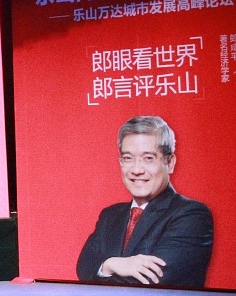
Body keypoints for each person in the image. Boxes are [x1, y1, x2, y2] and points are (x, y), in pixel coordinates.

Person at [77, 116, 213, 287]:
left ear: (170, 163)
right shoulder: (110, 215)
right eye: (128, 158)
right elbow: (84, 268)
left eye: (148, 158)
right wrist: (112, 264)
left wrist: (101, 271)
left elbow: (150, 282)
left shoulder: (191, 215)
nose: (136, 169)